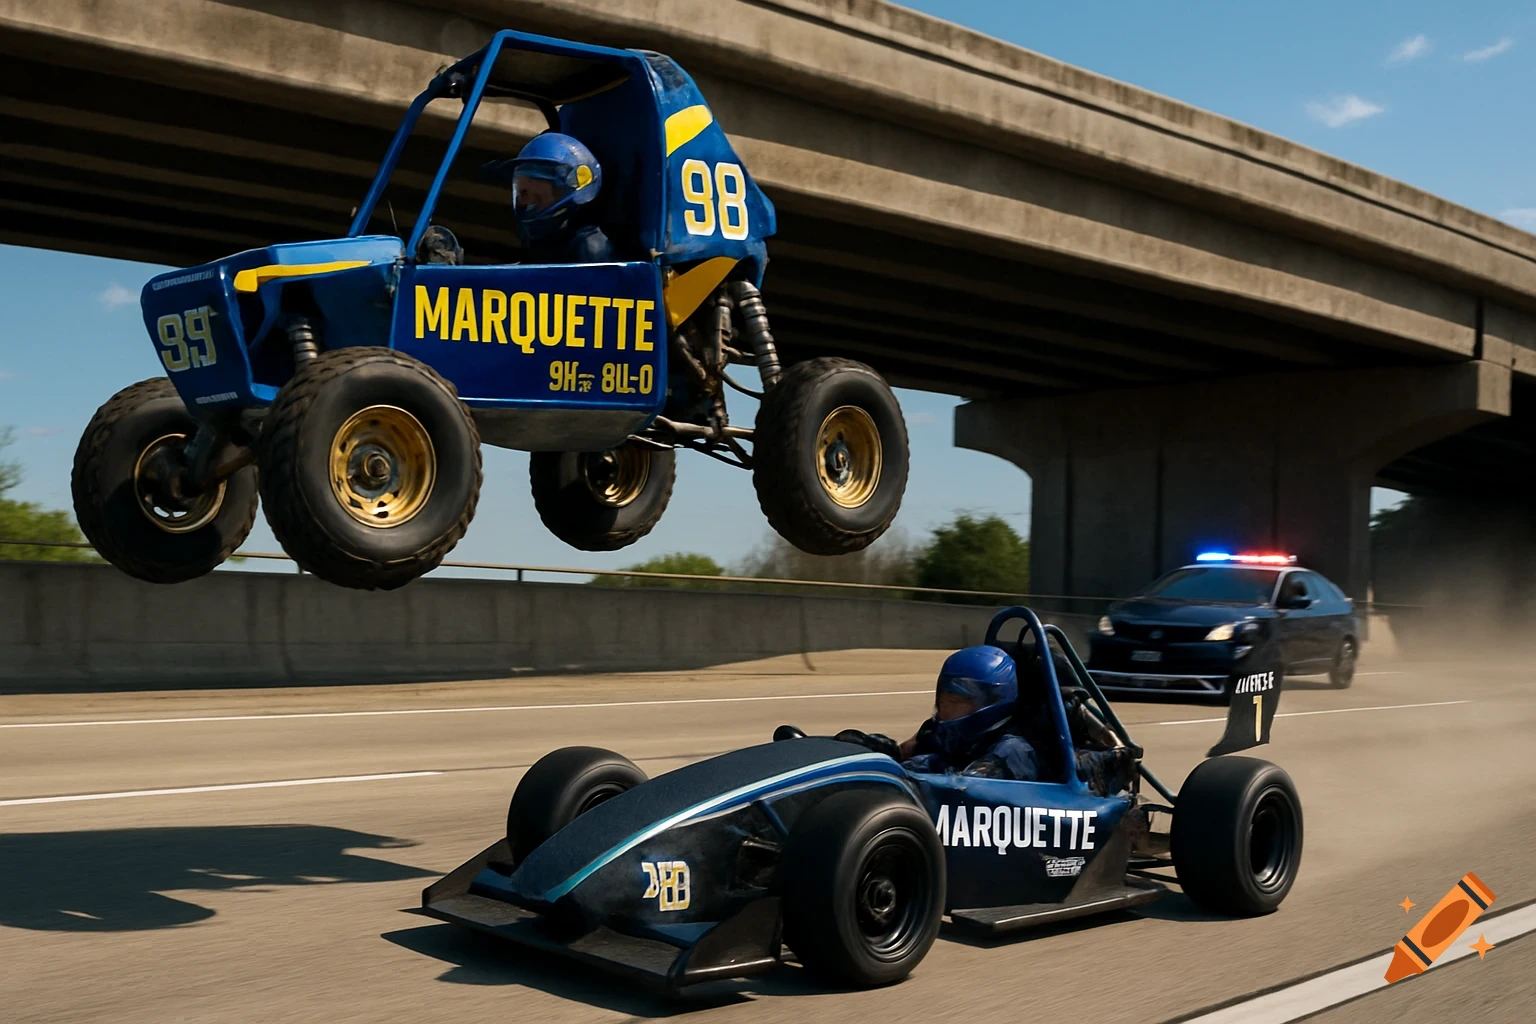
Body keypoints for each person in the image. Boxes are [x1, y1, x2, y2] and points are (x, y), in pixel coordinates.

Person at [896, 645, 1040, 780]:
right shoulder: (940, 731)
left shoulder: (1011, 752)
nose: (945, 710)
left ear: (991, 705)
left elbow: (966, 789)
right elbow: (904, 751)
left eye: (955, 702)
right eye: (942, 701)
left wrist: (922, 767)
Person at [493, 132, 617, 264]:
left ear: (567, 189)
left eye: (536, 195)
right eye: (521, 191)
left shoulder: (591, 251)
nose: (524, 201)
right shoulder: (545, 244)